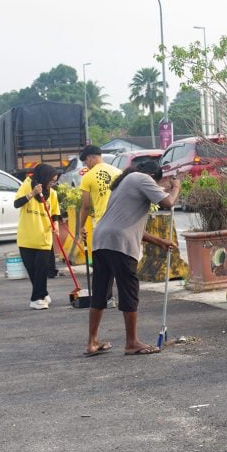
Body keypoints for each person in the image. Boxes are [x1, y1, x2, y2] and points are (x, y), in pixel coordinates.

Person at [84, 160, 180, 357]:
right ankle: (132, 342)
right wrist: (176, 187)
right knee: (129, 290)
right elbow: (168, 202)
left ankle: (92, 342)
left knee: (101, 290)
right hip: (120, 244)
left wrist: (158, 241)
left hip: (102, 239)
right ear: (152, 176)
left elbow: (128, 224)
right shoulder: (142, 178)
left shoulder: (126, 181)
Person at [77, 145, 123, 302]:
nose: (86, 165)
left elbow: (85, 206)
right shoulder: (118, 173)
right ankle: (123, 297)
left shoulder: (88, 177)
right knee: (120, 262)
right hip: (120, 224)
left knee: (102, 265)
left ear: (90, 158)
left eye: (85, 162)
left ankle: (107, 298)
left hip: (102, 227)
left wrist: (80, 227)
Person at [14, 164, 60, 310]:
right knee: (33, 271)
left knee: (41, 269)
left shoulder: (52, 193)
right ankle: (43, 293)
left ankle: (36, 299)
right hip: (26, 236)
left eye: (54, 181)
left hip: (44, 237)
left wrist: (56, 226)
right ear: (44, 177)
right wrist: (33, 193)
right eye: (51, 180)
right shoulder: (27, 185)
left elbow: (55, 213)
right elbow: (16, 203)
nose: (52, 184)